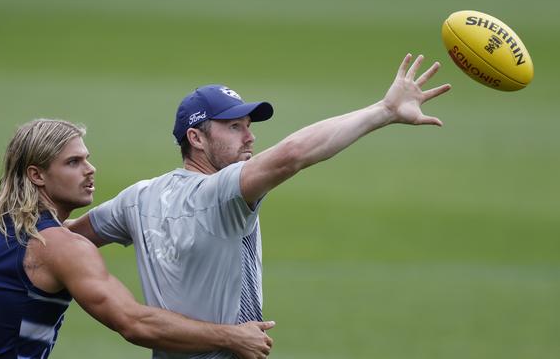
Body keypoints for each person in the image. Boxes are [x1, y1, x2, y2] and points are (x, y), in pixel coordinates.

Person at [68, 53, 452, 359]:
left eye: (249, 125)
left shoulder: (138, 198)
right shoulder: (222, 193)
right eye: (235, 127)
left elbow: (65, 240)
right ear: (196, 138)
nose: (250, 138)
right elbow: (294, 153)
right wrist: (384, 111)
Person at [0, 119, 274, 359]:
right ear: (36, 175)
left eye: (86, 158)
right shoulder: (60, 247)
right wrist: (231, 336)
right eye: (73, 162)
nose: (90, 169)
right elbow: (133, 323)